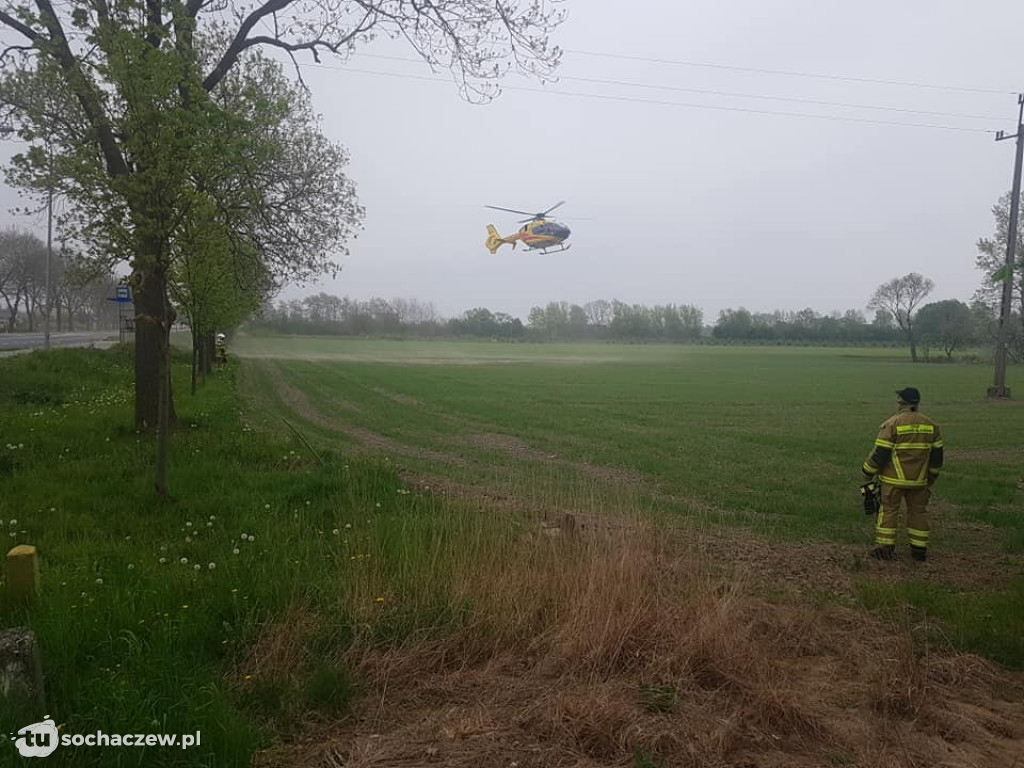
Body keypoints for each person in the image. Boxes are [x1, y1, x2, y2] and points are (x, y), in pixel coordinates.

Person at [861, 387, 943, 562]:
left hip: (893, 480)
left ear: (900, 402)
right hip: (920, 481)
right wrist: (932, 477)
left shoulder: (893, 424)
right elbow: (937, 457)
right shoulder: (931, 425)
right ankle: (919, 550)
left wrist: (867, 471)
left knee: (888, 511)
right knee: (918, 512)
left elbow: (880, 453)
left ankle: (885, 549)